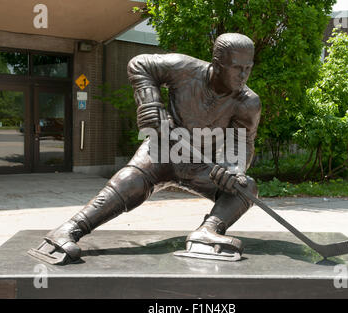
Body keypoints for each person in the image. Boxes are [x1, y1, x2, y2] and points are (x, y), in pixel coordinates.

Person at [29, 33, 262, 264]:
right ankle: (68, 230)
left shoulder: (248, 102)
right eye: (236, 68)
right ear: (217, 64)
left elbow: (243, 142)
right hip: (162, 150)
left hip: (199, 165)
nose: (243, 75)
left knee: (245, 188)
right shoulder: (185, 68)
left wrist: (233, 169)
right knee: (130, 182)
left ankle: (207, 232)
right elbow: (140, 64)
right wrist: (149, 102)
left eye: (248, 68)